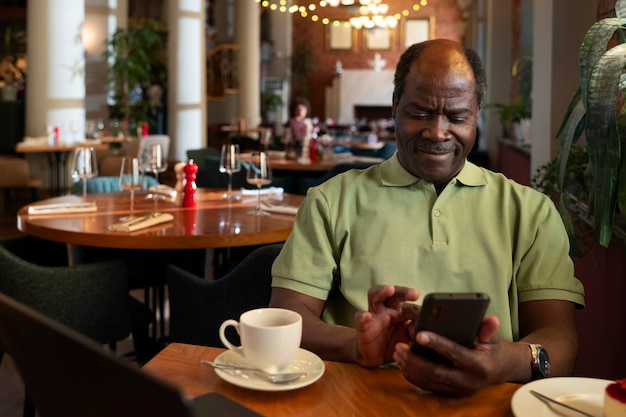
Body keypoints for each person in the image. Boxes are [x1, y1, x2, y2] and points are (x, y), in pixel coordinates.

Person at [269, 39, 585, 397]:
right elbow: (287, 314)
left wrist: (503, 362)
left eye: (457, 116)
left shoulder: (532, 213)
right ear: (394, 108)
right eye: (419, 113)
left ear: (477, 114)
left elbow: (560, 339)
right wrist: (357, 345)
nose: (437, 132)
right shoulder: (330, 201)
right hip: (355, 402)